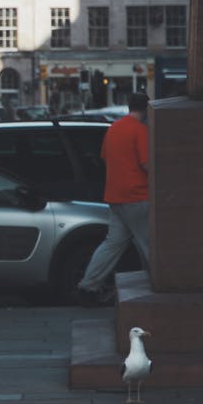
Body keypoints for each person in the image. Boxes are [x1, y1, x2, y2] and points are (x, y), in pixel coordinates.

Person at [76, 91, 150, 305]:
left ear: (129, 106)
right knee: (149, 243)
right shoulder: (140, 131)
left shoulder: (114, 128)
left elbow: (105, 158)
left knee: (112, 245)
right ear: (146, 109)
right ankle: (160, 285)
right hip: (137, 195)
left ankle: (88, 286)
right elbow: (146, 164)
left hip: (115, 197)